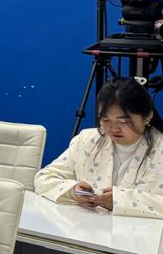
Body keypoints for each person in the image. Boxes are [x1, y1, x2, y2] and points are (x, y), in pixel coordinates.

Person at [35, 78, 163, 216]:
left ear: (147, 116)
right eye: (105, 120)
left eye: (123, 121)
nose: (113, 128)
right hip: (86, 227)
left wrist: (121, 201)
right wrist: (72, 191)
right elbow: (44, 178)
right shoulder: (87, 140)